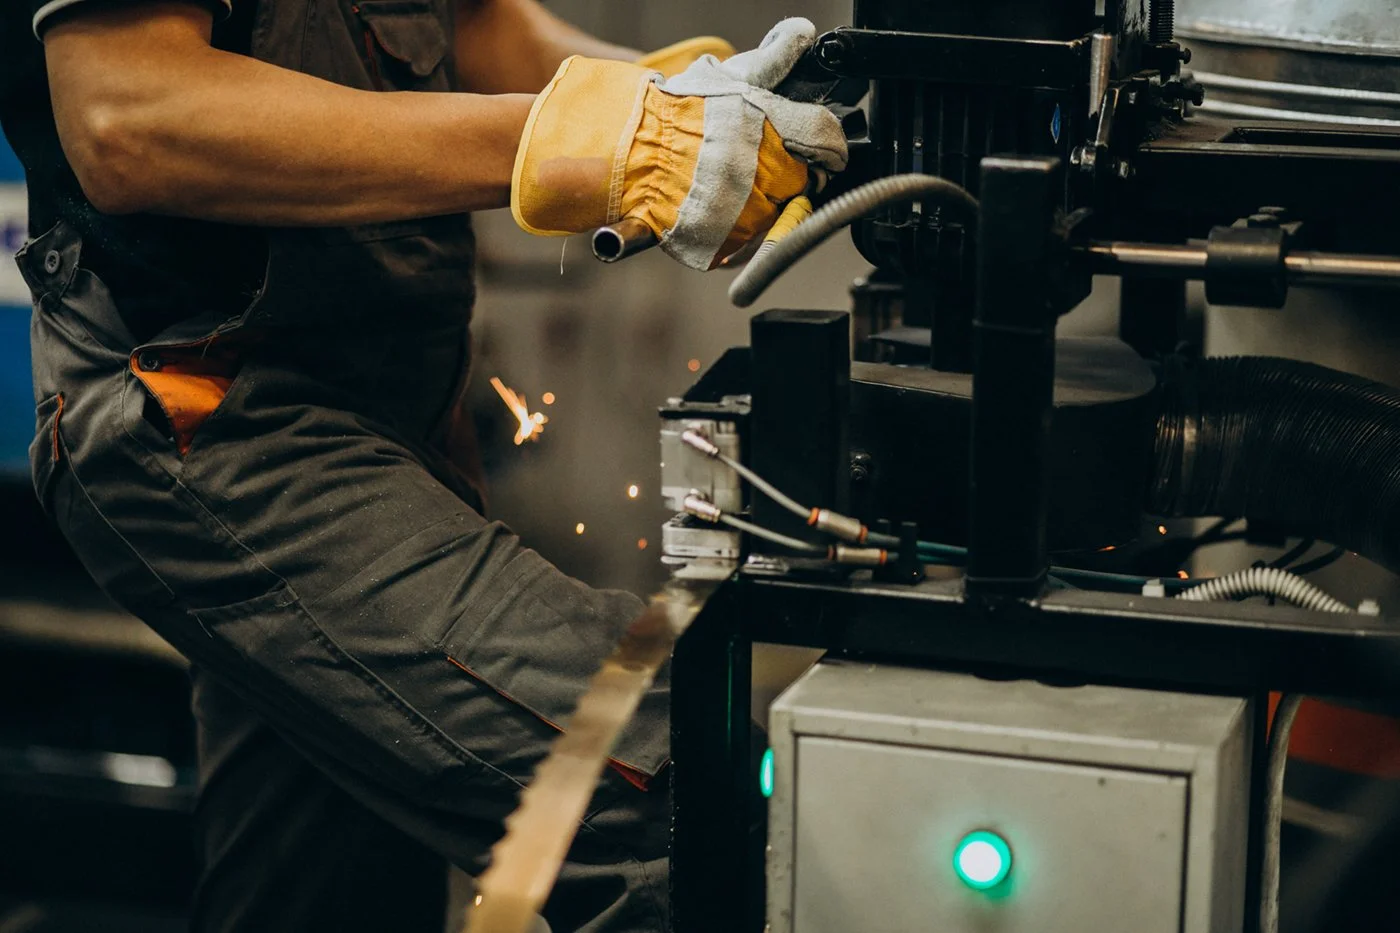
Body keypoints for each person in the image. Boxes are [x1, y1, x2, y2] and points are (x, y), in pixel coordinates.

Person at [0, 1, 846, 930]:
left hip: (400, 398)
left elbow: (474, 29)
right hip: (219, 410)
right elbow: (130, 116)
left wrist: (668, 94)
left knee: (327, 898)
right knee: (682, 788)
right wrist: (608, 137)